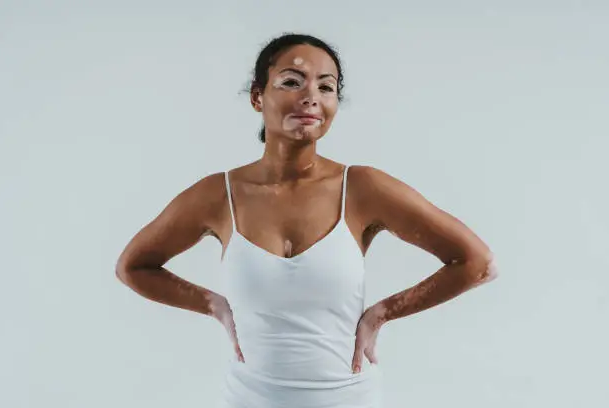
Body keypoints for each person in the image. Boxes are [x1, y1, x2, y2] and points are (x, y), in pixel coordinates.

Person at [115, 33, 498, 408]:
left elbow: (476, 262)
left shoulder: (363, 188)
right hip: (249, 398)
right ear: (257, 97)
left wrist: (382, 313)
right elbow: (134, 267)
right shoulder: (219, 194)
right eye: (291, 82)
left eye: (326, 87)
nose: (310, 96)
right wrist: (214, 305)